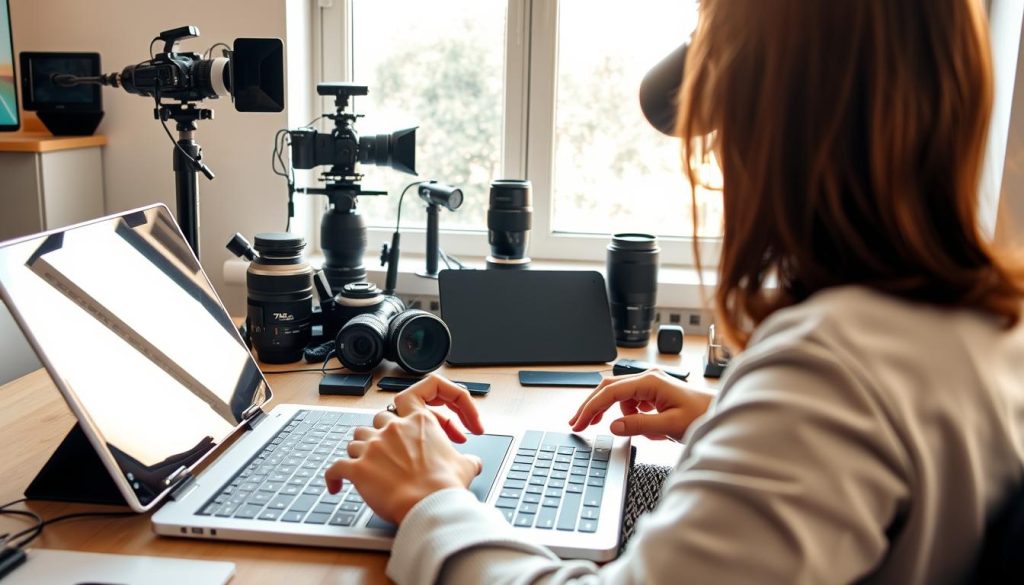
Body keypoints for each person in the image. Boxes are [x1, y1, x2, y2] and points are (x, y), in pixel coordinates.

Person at [325, 0, 1024, 583]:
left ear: (776, 123)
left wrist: (432, 498)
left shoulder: (835, 370)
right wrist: (737, 420)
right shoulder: (986, 328)